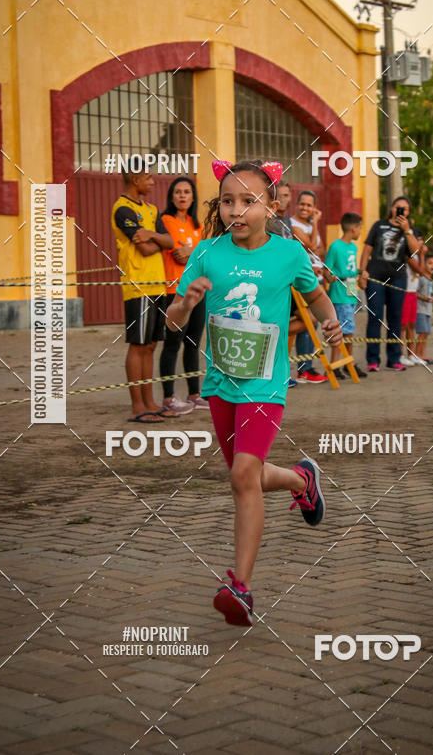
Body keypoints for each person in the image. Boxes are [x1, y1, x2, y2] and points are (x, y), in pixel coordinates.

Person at [166, 159, 342, 627]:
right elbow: (173, 320)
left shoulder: (288, 254)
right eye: (228, 201)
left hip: (266, 384)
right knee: (250, 477)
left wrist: (330, 321)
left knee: (243, 475)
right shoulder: (206, 253)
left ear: (272, 205)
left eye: (248, 201)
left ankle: (240, 587)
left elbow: (315, 294)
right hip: (221, 384)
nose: (236, 211)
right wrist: (187, 301)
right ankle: (303, 480)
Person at [111, 163, 174, 423]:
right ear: (135, 178)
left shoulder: (151, 210)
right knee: (137, 345)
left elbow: (170, 242)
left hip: (158, 285)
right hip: (138, 287)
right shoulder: (122, 209)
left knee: (150, 345)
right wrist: (156, 238)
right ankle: (137, 407)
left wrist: (152, 235)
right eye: (148, 177)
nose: (152, 181)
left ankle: (150, 402)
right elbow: (147, 249)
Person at [158, 177, 206, 415]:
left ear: (193, 196)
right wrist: (191, 253)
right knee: (173, 343)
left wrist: (193, 252)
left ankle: (194, 395)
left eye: (187, 192)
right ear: (171, 196)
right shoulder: (165, 220)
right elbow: (178, 254)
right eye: (178, 192)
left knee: (193, 342)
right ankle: (168, 398)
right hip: (174, 291)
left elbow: (202, 256)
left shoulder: (197, 225)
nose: (182, 196)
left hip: (198, 291)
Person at [358, 196, 420, 372]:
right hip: (375, 277)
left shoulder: (409, 229)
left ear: (408, 212)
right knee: (375, 317)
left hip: (398, 279)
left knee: (395, 319)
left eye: (405, 209)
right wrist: (362, 272)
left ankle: (394, 359)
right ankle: (373, 360)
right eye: (398, 207)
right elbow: (367, 250)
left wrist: (407, 230)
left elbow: (414, 251)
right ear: (391, 208)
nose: (401, 211)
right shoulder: (379, 226)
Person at [290, 190, 328, 383]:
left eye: (309, 205)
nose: (305, 208)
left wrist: (313, 226)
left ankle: (306, 368)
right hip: (302, 280)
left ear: (314, 208)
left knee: (312, 325)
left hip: (317, 277)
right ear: (296, 205)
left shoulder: (310, 225)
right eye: (302, 204)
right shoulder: (292, 224)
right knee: (309, 321)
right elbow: (312, 246)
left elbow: (320, 249)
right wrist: (316, 223)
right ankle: (304, 368)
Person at [323, 212, 367, 379]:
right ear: (353, 228)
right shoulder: (336, 247)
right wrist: (330, 277)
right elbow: (326, 270)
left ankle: (348, 364)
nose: (360, 232)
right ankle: (340, 365)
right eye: (360, 228)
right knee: (343, 331)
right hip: (339, 296)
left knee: (349, 331)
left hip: (350, 293)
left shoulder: (353, 248)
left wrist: (362, 272)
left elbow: (352, 269)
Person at [400, 236, 424, 367]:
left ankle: (411, 354)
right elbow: (419, 270)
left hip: (413, 292)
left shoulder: (418, 256)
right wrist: (421, 254)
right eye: (417, 240)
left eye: (420, 240)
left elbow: (424, 271)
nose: (420, 243)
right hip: (405, 292)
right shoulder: (408, 256)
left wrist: (422, 255)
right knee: (402, 325)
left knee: (411, 325)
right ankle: (400, 354)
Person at [415, 252, 433, 365]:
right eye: (430, 263)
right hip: (420, 310)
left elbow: (429, 294)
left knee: (426, 333)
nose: (432, 266)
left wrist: (432, 298)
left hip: (428, 310)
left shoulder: (431, 280)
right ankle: (416, 355)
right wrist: (424, 298)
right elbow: (414, 293)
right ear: (424, 264)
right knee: (422, 332)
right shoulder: (421, 278)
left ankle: (422, 356)